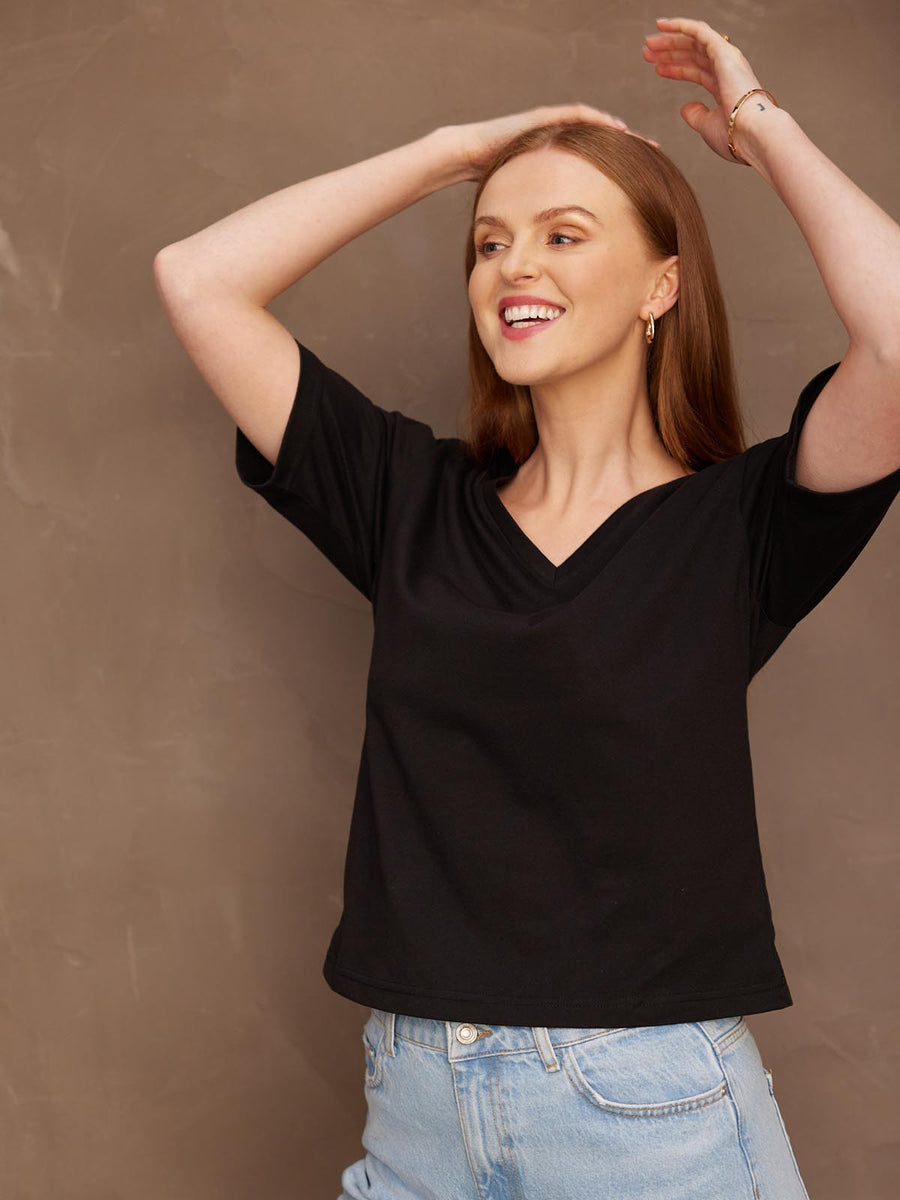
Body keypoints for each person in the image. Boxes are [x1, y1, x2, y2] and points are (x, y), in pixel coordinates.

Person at [153, 16, 900, 1199]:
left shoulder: (743, 526)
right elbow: (197, 278)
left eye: (563, 234)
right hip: (414, 1103)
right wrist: (459, 152)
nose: (514, 268)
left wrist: (760, 127)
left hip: (646, 1112)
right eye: (489, 243)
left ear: (662, 285)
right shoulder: (408, 499)